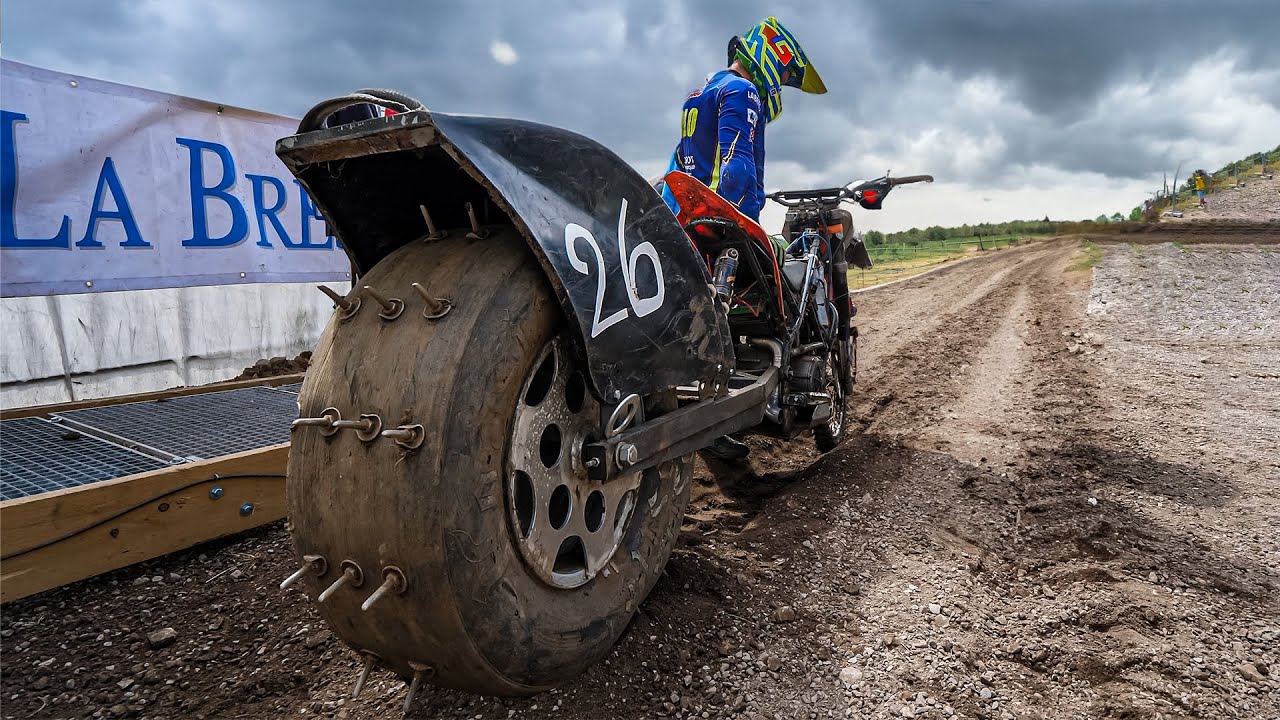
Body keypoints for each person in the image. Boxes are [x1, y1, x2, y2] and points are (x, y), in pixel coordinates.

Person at [660, 16, 826, 461]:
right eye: (786, 77)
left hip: (686, 215)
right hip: (722, 217)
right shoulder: (744, 91)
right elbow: (735, 163)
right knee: (777, 278)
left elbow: (682, 159)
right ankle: (746, 396)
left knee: (706, 311)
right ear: (775, 57)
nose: (782, 88)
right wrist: (738, 213)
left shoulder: (699, 92)